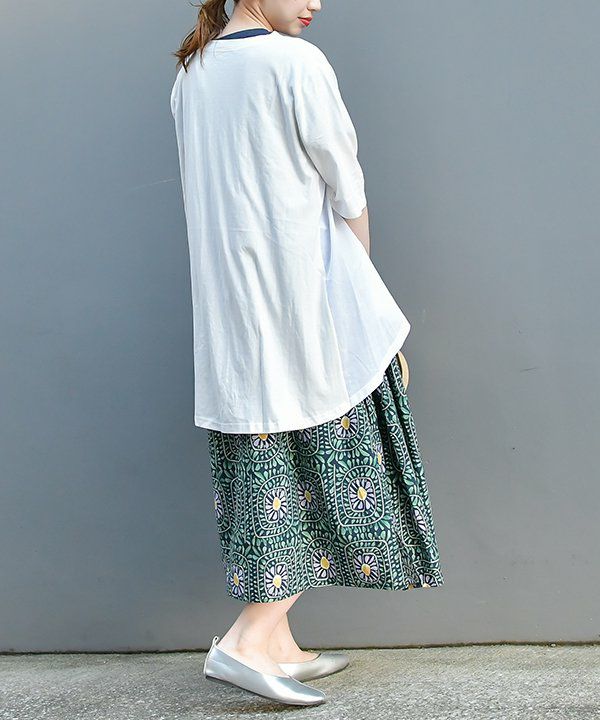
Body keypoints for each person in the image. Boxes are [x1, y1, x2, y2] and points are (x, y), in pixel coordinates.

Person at [170, 0, 445, 706]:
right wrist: (361, 301)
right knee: (330, 464)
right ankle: (246, 641)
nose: (316, 3)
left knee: (268, 470)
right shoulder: (294, 63)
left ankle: (280, 647)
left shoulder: (192, 72)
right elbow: (346, 189)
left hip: (233, 317)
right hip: (303, 305)